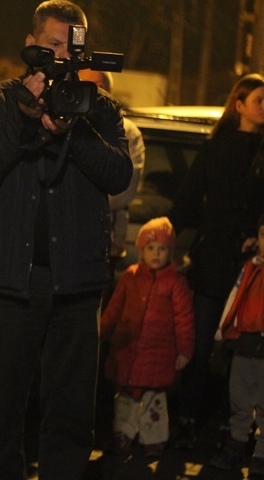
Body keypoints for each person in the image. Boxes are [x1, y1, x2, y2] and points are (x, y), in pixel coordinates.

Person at [0, 0, 133, 479]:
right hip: (9, 283)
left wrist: (74, 131)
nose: (63, 54)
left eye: (72, 45)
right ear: (32, 45)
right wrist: (26, 120)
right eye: (54, 44)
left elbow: (118, 174)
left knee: (71, 414)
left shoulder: (97, 107)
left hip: (76, 287)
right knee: (3, 413)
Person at [170, 73, 264, 449]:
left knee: (242, 352)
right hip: (211, 261)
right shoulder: (215, 149)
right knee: (200, 345)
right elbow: (189, 199)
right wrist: (168, 230)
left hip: (250, 268)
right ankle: (188, 418)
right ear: (238, 105)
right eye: (259, 100)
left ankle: (233, 425)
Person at [100, 217, 195, 458]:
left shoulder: (175, 283)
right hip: (127, 349)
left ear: (169, 252)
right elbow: (114, 308)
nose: (156, 254)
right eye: (151, 248)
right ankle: (122, 434)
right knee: (124, 398)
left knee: (154, 400)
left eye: (162, 249)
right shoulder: (130, 277)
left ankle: (153, 438)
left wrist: (184, 351)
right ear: (141, 250)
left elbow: (184, 319)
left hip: (158, 354)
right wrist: (103, 331)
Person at [209, 214, 264, 477]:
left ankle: (261, 456)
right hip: (245, 342)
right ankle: (236, 446)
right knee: (240, 399)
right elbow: (236, 295)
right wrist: (224, 329)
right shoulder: (251, 267)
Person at [78, 69, 146, 261]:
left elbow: (125, 188)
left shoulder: (128, 132)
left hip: (108, 238)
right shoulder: (66, 125)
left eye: (96, 87)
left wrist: (77, 202)